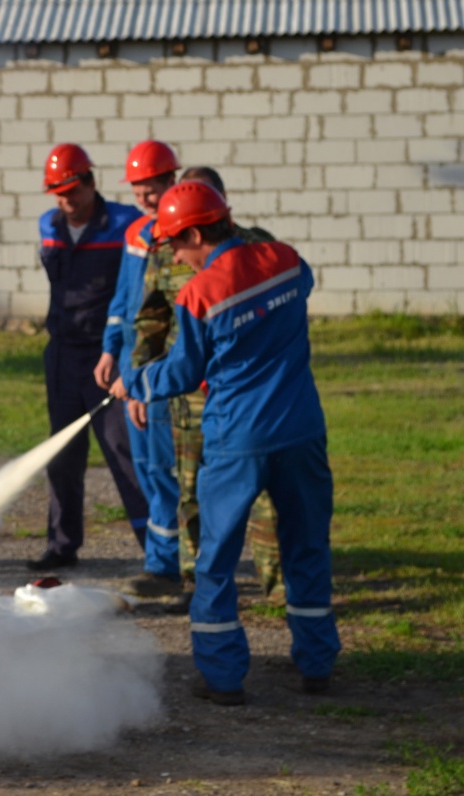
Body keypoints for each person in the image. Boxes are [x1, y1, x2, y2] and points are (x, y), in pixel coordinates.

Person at [128, 180, 341, 705]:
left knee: (217, 559)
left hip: (236, 440)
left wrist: (134, 383)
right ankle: (317, 665)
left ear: (198, 233)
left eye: (177, 243)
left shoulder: (199, 293)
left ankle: (222, 678)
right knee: (307, 546)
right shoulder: (287, 259)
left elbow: (183, 370)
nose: (175, 255)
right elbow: (301, 289)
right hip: (300, 432)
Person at [140, 165, 286, 603]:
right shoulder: (166, 249)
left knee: (261, 492)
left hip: (244, 397)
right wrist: (141, 372)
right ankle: (195, 580)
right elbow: (151, 317)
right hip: (188, 399)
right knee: (191, 491)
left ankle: (278, 584)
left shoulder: (257, 246)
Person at [27, 143, 150, 571]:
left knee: (123, 452)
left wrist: (122, 353)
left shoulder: (125, 224)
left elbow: (137, 291)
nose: (65, 200)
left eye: (72, 190)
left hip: (107, 357)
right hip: (62, 354)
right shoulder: (50, 225)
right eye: (57, 192)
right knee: (62, 455)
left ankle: (156, 549)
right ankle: (62, 545)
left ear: (91, 182)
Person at [94, 140, 182, 596]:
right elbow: (124, 302)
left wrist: (144, 378)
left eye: (153, 188)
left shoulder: (183, 235)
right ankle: (161, 562)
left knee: (166, 468)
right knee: (149, 468)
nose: (146, 199)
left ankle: (172, 568)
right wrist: (111, 350)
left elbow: (169, 319)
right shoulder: (136, 235)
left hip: (163, 372)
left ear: (173, 181)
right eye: (139, 190)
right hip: (132, 368)